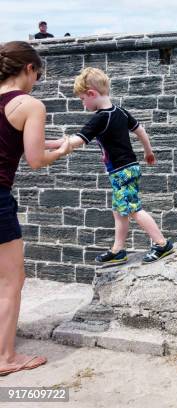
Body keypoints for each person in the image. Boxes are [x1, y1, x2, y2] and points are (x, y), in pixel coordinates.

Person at [45, 67, 174, 264]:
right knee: (119, 209)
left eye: (82, 99)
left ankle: (161, 243)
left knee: (133, 209)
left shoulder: (100, 118)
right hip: (128, 167)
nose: (83, 103)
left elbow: (75, 141)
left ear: (91, 93)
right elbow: (141, 131)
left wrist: (43, 144)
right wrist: (148, 152)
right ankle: (118, 250)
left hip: (122, 171)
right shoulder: (121, 112)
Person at [0, 41, 72, 376]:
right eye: (38, 76)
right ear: (29, 68)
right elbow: (35, 160)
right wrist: (63, 150)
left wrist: (49, 141)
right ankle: (6, 358)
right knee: (11, 281)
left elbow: (9, 137)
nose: (37, 82)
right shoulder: (29, 104)